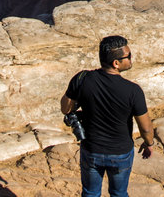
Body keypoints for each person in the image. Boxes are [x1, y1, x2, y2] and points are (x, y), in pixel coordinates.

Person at [62, 35, 158, 197]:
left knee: (90, 193)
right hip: (120, 153)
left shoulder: (82, 79)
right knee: (119, 193)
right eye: (128, 56)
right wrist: (149, 144)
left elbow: (66, 108)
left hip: (92, 149)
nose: (131, 58)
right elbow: (146, 127)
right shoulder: (133, 91)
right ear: (116, 63)